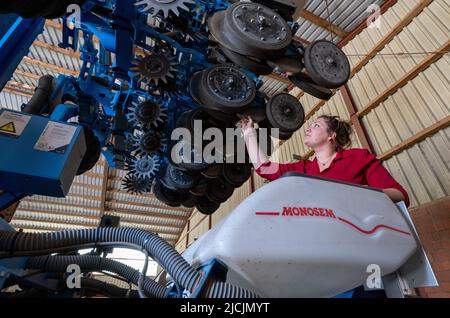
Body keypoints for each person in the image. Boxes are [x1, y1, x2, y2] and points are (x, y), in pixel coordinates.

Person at [239, 114, 410, 207]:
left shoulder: (358, 158)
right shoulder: (304, 169)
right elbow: (265, 169)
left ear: (331, 135)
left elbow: (400, 195)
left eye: (316, 125)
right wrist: (248, 133)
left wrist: (355, 195)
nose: (308, 129)